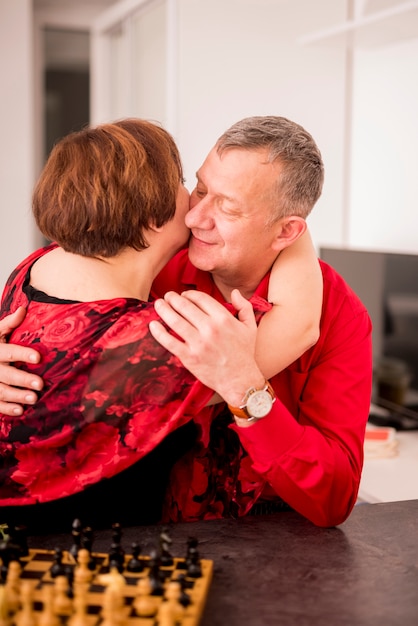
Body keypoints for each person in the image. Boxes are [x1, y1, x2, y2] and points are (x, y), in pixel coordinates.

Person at [0, 116, 323, 534]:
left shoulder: (32, 270)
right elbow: (297, 325)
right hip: (79, 566)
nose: (194, 205)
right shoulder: (156, 341)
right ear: (152, 217)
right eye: (185, 183)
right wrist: (289, 226)